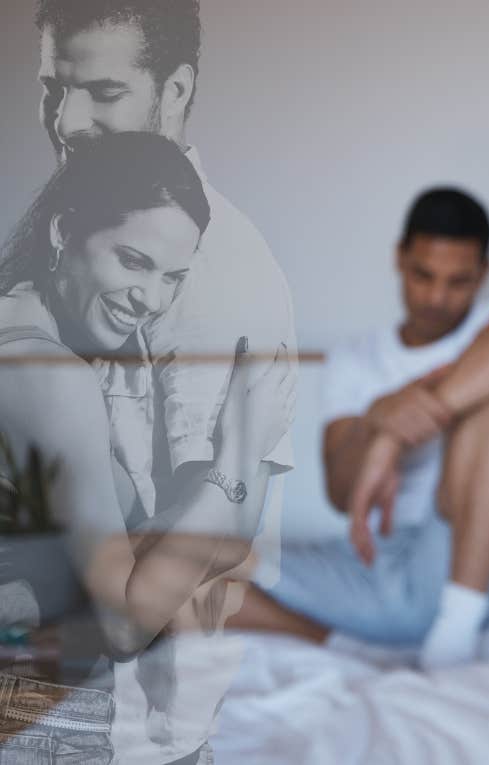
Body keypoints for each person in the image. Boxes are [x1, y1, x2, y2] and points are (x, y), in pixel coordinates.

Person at [32, 2, 298, 761]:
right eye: (53, 88)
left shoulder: (200, 276)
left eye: (104, 93)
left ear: (174, 91)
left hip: (120, 728)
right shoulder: (83, 241)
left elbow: (196, 544)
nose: (68, 119)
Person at [226, 188, 489, 670]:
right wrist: (376, 421)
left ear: (484, 274)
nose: (436, 297)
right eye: (423, 275)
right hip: (384, 570)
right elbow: (343, 495)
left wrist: (396, 435)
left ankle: (456, 626)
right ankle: (351, 651)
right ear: (400, 258)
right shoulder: (355, 360)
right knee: (135, 565)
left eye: (458, 281)